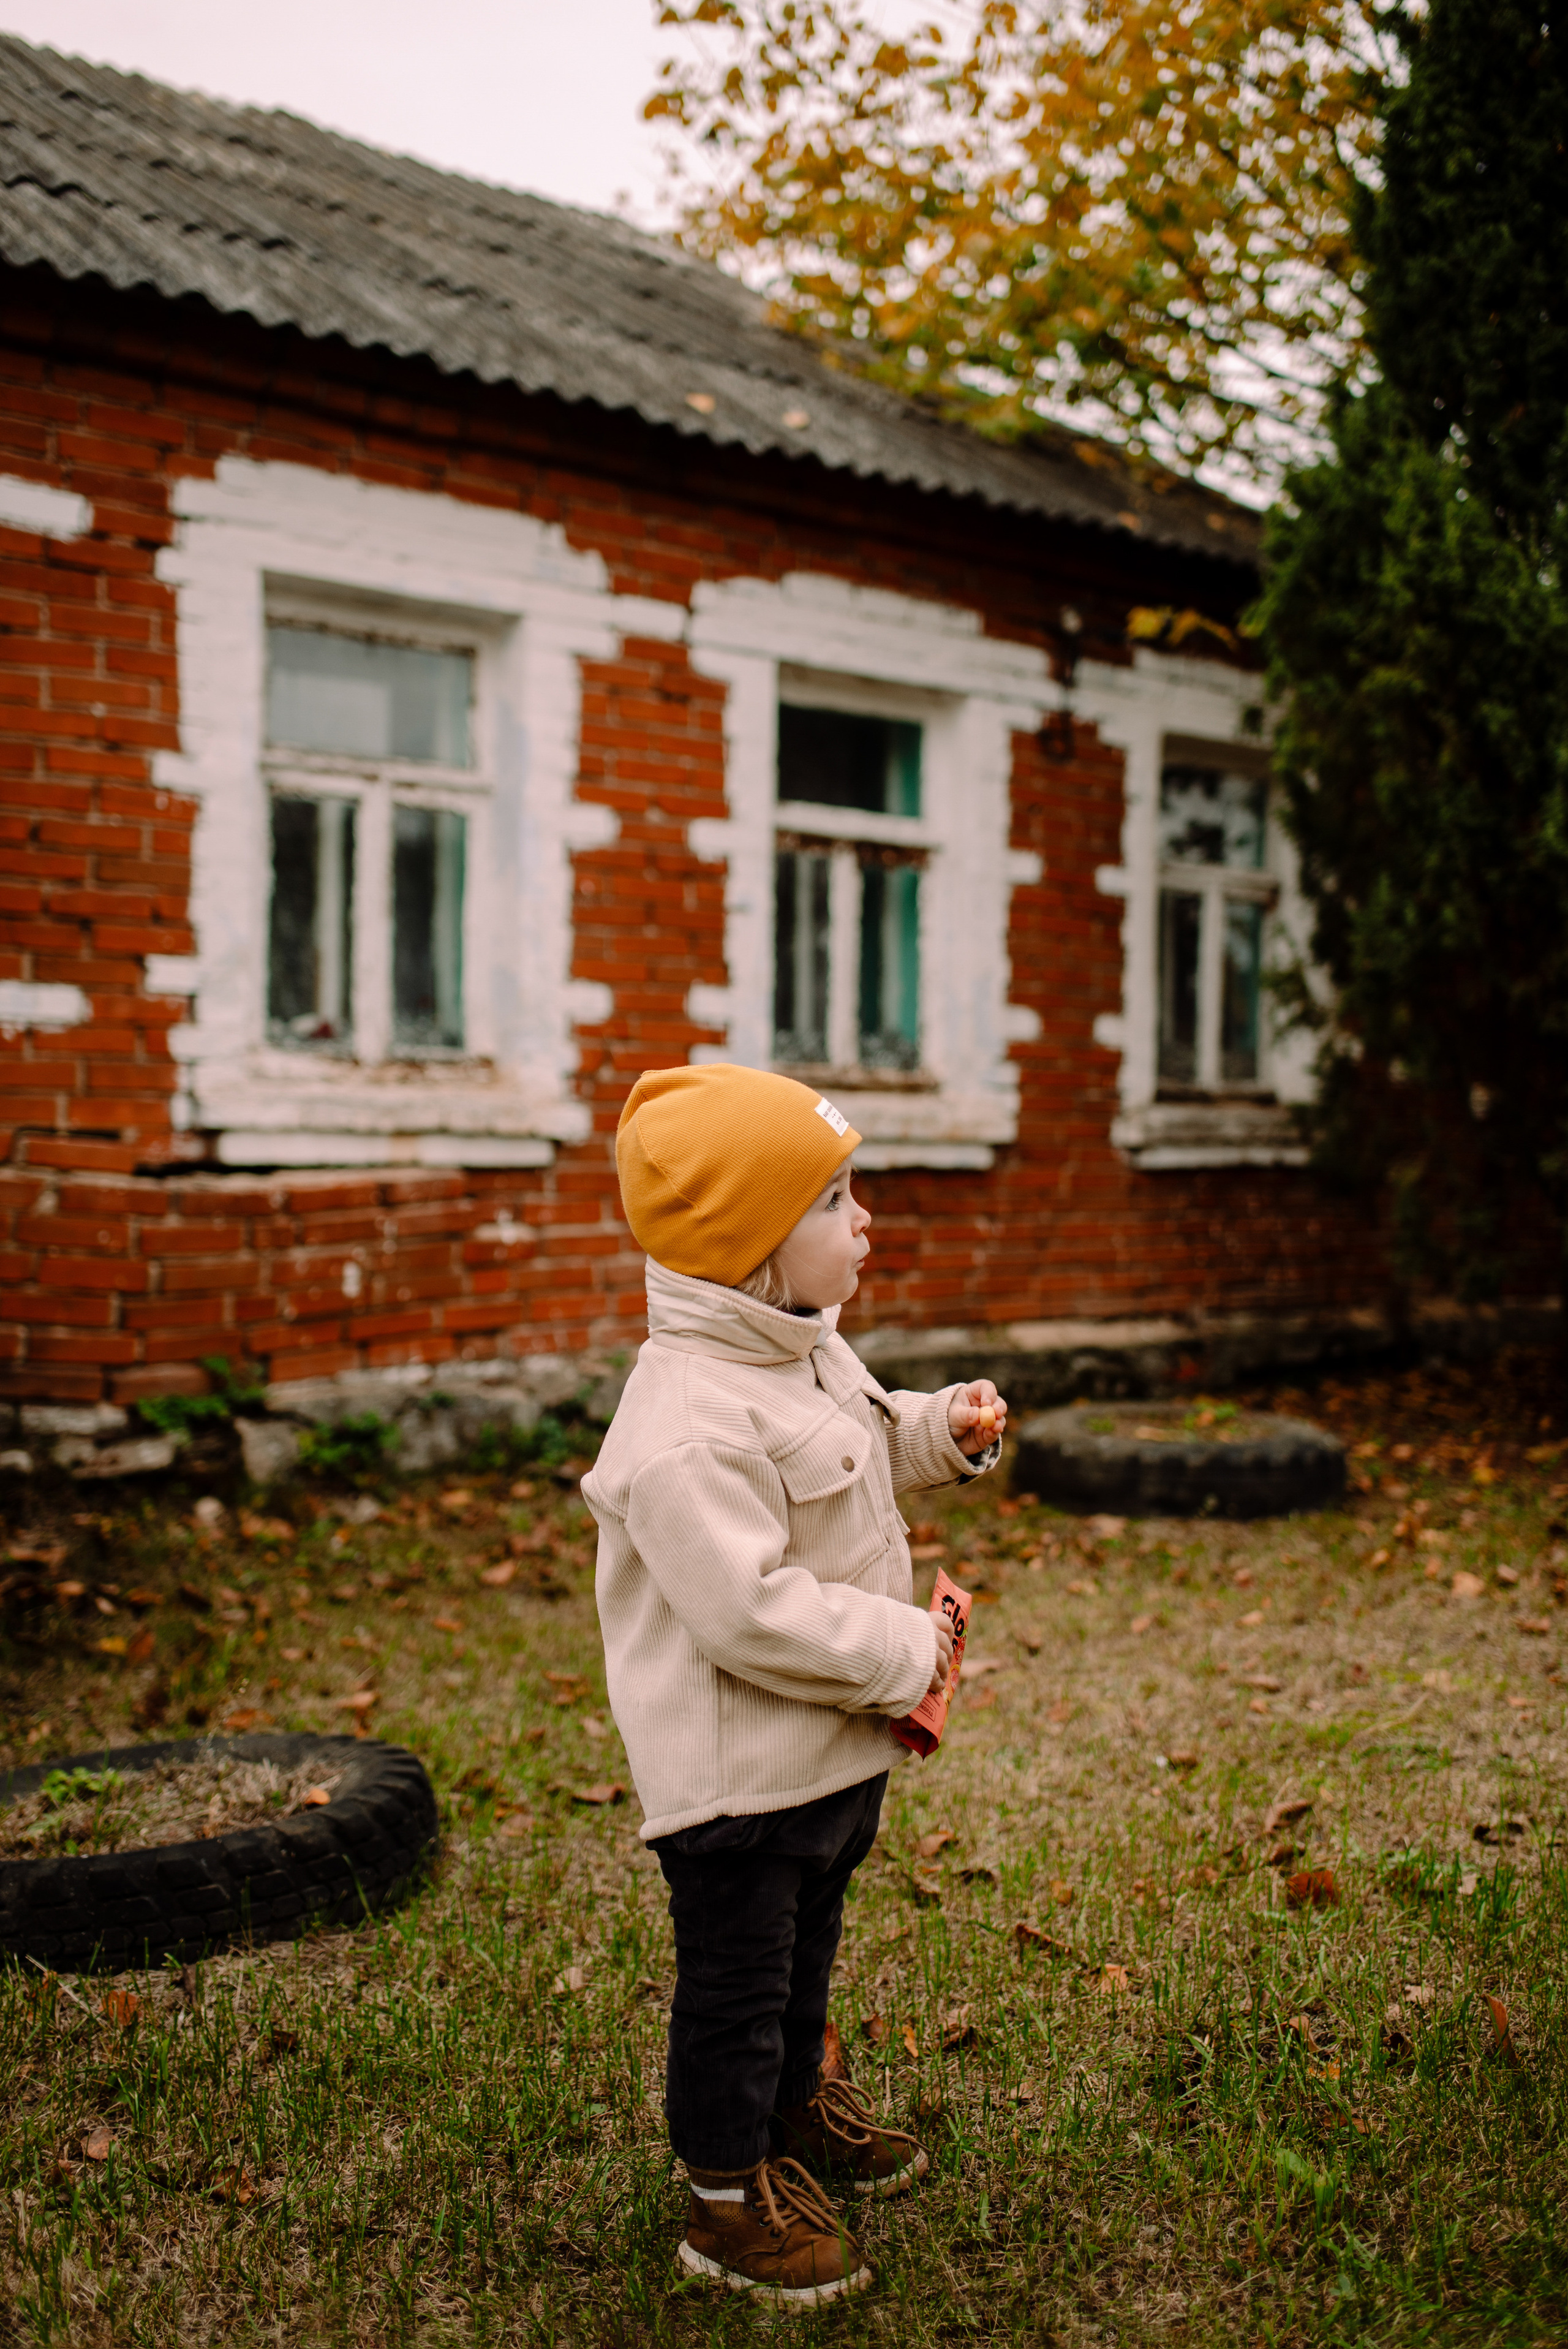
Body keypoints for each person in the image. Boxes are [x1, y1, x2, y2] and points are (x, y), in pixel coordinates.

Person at [582, 1064, 1008, 2309]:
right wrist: (903, 1654)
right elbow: (748, 1612)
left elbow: (862, 1441)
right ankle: (725, 2198)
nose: (862, 1219)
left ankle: (791, 2114)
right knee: (737, 1984)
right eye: (832, 1199)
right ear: (753, 1248)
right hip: (739, 1784)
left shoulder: (802, 1350)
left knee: (805, 1955)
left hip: (827, 1754)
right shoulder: (682, 1428)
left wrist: (939, 1430)